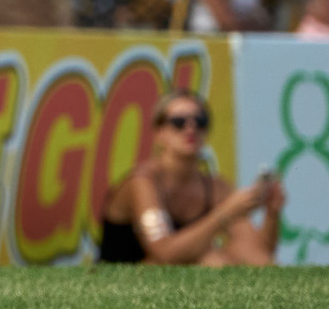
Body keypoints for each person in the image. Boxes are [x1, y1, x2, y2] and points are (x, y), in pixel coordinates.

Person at [98, 90, 283, 265]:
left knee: (229, 255)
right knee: (213, 261)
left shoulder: (216, 187)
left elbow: (259, 257)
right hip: (123, 282)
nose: (190, 128)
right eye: (179, 122)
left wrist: (272, 214)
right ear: (158, 133)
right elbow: (164, 253)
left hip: (173, 280)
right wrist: (223, 215)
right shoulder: (143, 182)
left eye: (200, 121)